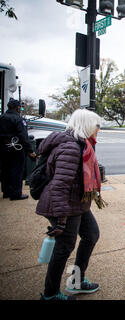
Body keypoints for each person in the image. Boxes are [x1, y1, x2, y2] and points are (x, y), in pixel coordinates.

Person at [37, 109, 105, 300]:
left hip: (77, 202)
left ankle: (77, 281)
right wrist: (60, 219)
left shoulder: (82, 145)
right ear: (86, 126)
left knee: (91, 235)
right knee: (64, 247)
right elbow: (59, 186)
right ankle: (50, 294)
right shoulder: (72, 149)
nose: (98, 129)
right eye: (96, 126)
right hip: (64, 205)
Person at [0, 99, 36, 200]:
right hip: (17, 149)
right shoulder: (19, 119)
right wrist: (30, 150)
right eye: (20, 107)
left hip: (3, 149)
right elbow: (23, 136)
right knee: (17, 171)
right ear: (17, 108)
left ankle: (6, 191)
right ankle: (16, 194)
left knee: (5, 170)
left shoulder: (2, 118)